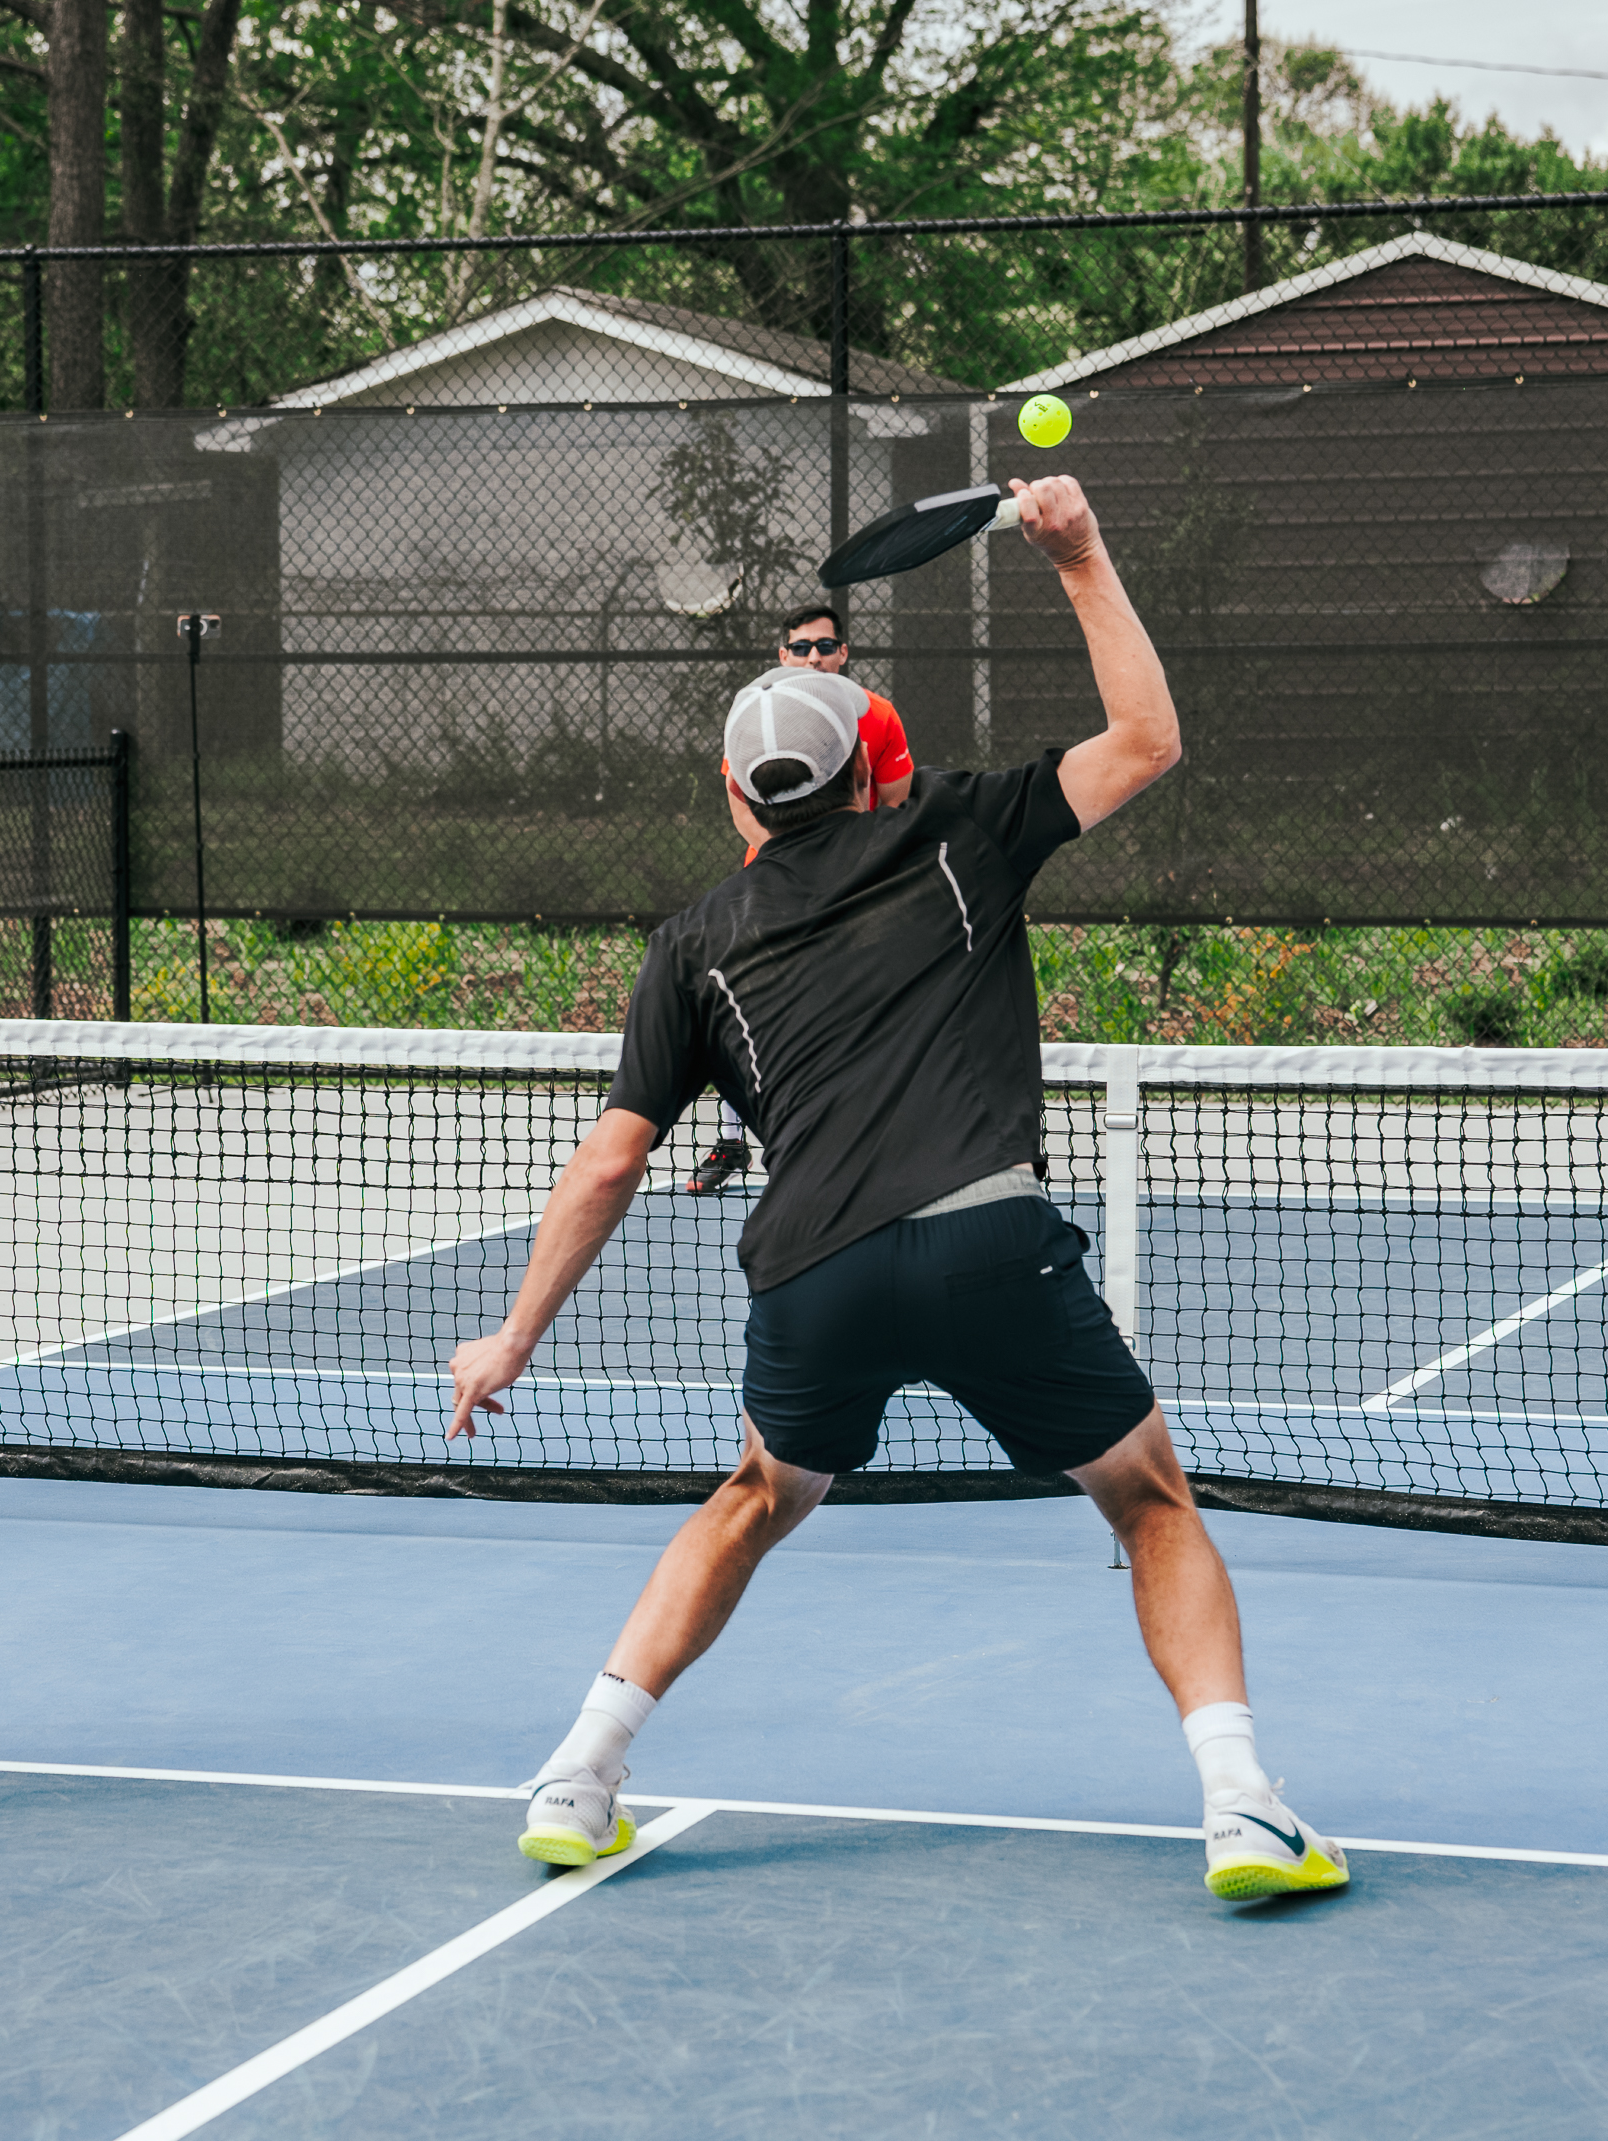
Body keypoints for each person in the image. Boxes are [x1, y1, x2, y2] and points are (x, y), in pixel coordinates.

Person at [448, 475, 1347, 1905]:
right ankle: (1243, 1805)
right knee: (1149, 1501)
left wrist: (511, 1339)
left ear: (739, 795)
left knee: (753, 1494)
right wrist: (1081, 556)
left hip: (812, 1273)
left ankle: (579, 1770)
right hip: (991, 1242)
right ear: (869, 765)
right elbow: (1150, 739)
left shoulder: (694, 945)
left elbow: (615, 1155)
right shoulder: (958, 832)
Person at [684, 603, 915, 1196]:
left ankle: (860, 1137)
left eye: (826, 646)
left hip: (858, 893)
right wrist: (794, 869)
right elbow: (741, 801)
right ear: (782, 656)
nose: (815, 656)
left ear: (844, 654)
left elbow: (895, 804)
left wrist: (848, 870)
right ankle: (734, 1140)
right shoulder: (756, 715)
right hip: (769, 891)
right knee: (748, 1015)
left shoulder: (879, 716)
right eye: (802, 648)